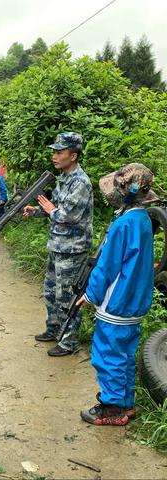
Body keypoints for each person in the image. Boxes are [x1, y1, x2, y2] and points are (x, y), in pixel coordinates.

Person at [79, 164, 156, 426]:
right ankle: (125, 402)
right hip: (135, 301)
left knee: (107, 354)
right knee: (124, 354)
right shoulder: (143, 219)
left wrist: (90, 295)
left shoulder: (123, 224)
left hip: (117, 302)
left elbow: (107, 266)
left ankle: (112, 408)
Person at [23, 132, 93, 357]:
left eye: (60, 152)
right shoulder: (64, 179)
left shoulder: (80, 182)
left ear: (73, 156)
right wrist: (35, 211)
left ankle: (69, 341)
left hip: (72, 249)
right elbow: (52, 209)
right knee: (51, 291)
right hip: (57, 246)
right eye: (54, 151)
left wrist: (49, 209)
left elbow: (67, 215)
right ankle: (54, 329)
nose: (55, 156)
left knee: (67, 296)